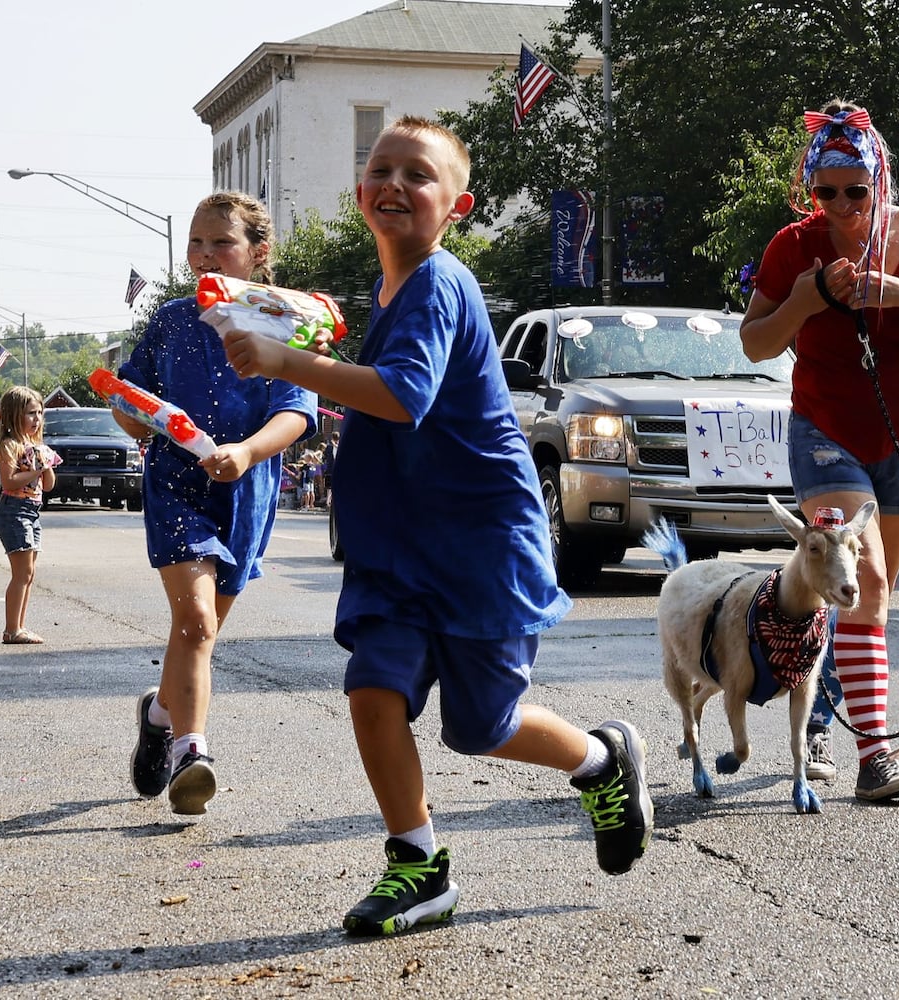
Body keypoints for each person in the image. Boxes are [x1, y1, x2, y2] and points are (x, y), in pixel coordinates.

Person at [221, 116, 653, 936]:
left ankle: (601, 761)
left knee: (480, 728)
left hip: (478, 543)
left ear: (457, 205)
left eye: (417, 175)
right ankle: (417, 867)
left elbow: (401, 394)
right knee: (372, 688)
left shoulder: (437, 282)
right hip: (397, 549)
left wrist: (285, 362)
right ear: (359, 194)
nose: (393, 183)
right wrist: (291, 335)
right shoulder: (389, 291)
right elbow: (365, 373)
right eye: (380, 168)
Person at [739, 100, 899, 802]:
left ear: (879, 181)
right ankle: (873, 756)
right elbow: (756, 341)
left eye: (855, 190)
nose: (840, 206)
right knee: (861, 583)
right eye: (825, 192)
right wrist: (809, 295)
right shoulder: (793, 246)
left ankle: (816, 716)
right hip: (824, 430)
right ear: (808, 191)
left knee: (860, 598)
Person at [117, 191, 318, 818]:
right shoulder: (172, 320)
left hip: (246, 491)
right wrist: (133, 413)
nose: (205, 255)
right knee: (197, 623)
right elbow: (132, 399)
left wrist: (248, 452)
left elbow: (297, 411)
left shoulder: (285, 319)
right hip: (177, 484)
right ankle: (191, 753)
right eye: (196, 243)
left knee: (196, 631)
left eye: (221, 243)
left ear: (257, 254)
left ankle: (158, 715)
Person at [0, 386, 56, 644]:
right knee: (21, 573)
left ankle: (19, 625)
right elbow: (9, 482)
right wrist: (36, 471)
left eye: (39, 413)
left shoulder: (36, 446)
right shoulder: (9, 445)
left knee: (29, 574)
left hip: (32, 511)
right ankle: (11, 630)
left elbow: (49, 485)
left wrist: (46, 465)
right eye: (31, 413)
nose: (36, 419)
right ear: (14, 415)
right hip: (13, 511)